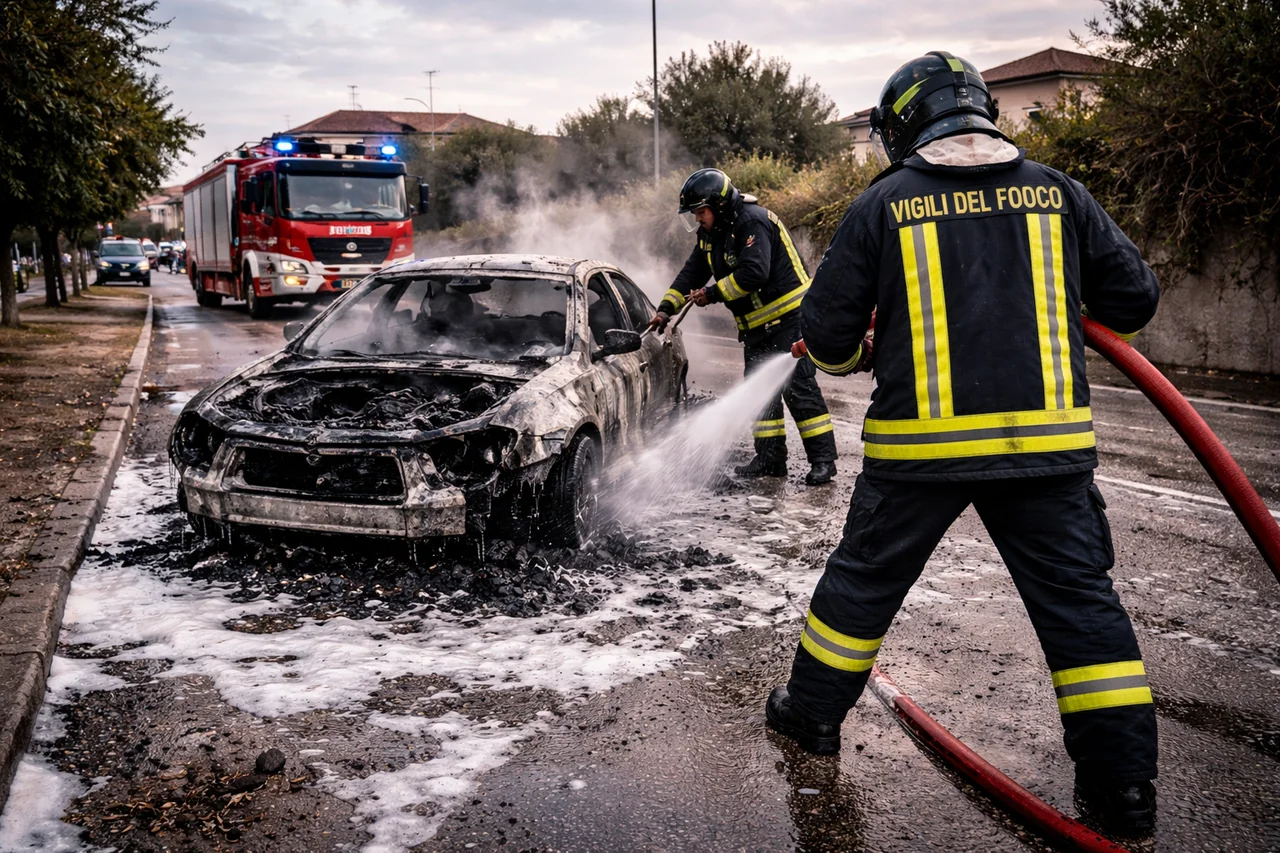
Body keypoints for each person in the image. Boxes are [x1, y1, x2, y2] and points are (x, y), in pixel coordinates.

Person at [765, 51, 1161, 836]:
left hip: (919, 454)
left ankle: (809, 714)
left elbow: (828, 337)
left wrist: (868, 341)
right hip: (1045, 452)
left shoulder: (884, 204)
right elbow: (1133, 301)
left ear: (903, 127)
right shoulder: (1057, 191)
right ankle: (1123, 789)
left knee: (863, 585)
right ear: (984, 110)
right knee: (1081, 609)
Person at [651, 169, 838, 486]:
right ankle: (770, 460)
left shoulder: (752, 222)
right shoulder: (711, 234)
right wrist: (665, 309)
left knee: (799, 391)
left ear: (719, 205)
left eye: (701, 211)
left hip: (790, 321)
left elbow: (754, 273)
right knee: (760, 394)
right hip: (756, 328)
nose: (697, 218)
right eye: (694, 213)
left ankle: (823, 461)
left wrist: (712, 294)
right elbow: (692, 273)